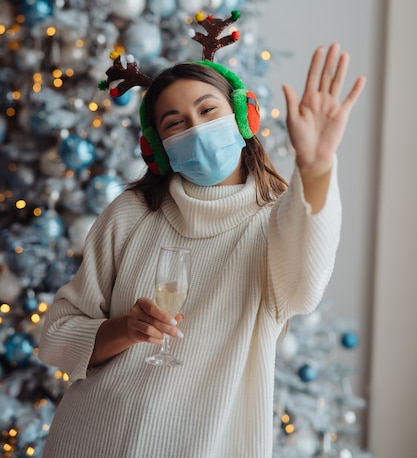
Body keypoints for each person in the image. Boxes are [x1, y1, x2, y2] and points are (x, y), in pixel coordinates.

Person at [39, 39, 365, 458]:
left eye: (208, 111)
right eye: (175, 123)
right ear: (158, 147)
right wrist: (124, 329)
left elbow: (304, 287)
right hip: (93, 437)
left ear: (242, 117)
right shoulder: (131, 214)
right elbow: (55, 336)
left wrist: (317, 167)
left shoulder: (273, 224)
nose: (195, 128)